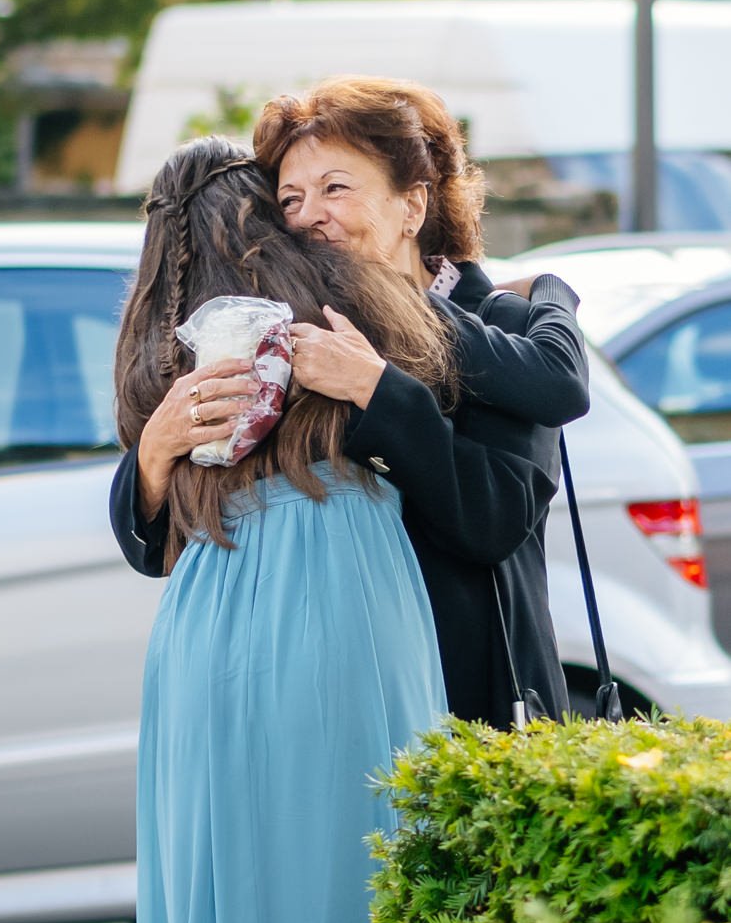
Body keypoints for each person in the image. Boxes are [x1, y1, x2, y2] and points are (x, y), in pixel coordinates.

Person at [114, 134, 453, 923]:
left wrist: (158, 457)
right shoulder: (342, 294)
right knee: (357, 915)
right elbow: (441, 383)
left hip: (211, 613)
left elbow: (151, 522)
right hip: (347, 592)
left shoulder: (157, 341)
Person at [249, 74, 590, 727]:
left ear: (412, 207)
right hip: (326, 703)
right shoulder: (285, 334)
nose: (306, 215)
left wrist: (376, 391)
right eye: (289, 197)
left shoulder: (500, 326)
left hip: (458, 708)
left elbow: (491, 522)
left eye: (335, 187)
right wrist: (154, 454)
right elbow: (167, 532)